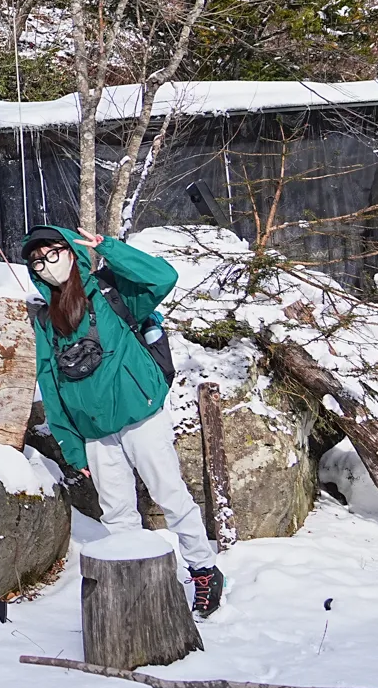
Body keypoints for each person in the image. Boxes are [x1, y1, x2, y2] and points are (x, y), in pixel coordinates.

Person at [21, 225, 225, 618]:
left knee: (170, 496)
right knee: (117, 513)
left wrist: (109, 249)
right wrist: (70, 444)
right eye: (38, 261)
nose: (47, 265)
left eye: (53, 253)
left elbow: (163, 277)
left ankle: (203, 571)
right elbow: (50, 381)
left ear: (71, 253)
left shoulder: (111, 291)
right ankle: (137, 579)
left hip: (139, 413)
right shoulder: (47, 320)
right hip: (94, 430)